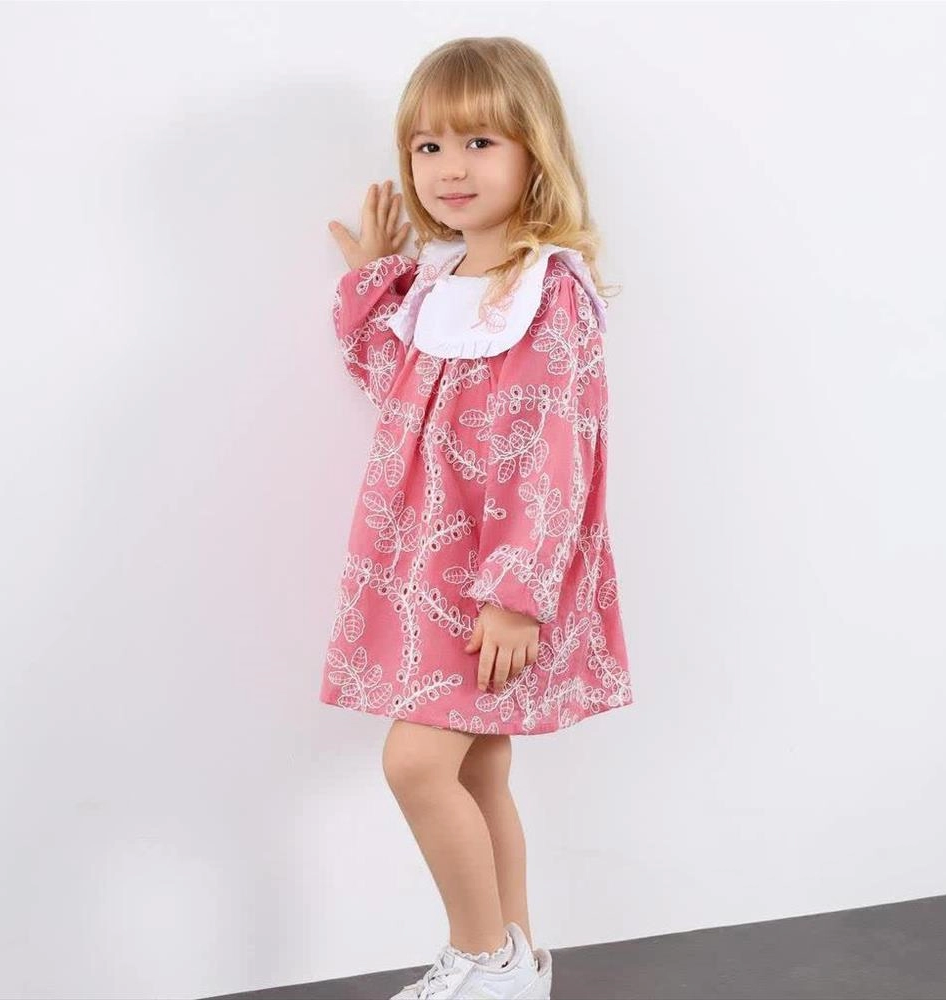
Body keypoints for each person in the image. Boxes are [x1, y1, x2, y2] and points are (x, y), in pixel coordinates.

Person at [322, 36, 634, 1000]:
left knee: (416, 764)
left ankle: (482, 958)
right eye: (428, 147)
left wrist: (516, 594)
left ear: (535, 151)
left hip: (493, 580)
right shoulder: (438, 285)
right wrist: (375, 277)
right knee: (476, 772)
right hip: (424, 568)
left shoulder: (551, 292)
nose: (449, 168)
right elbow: (393, 384)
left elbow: (557, 454)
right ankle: (518, 966)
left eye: (479, 142)